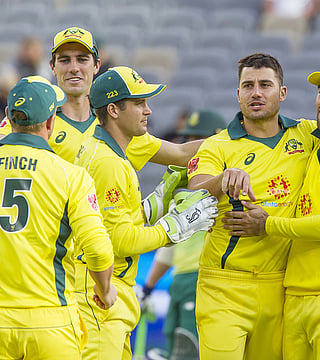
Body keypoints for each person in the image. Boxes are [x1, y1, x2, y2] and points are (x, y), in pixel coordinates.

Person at [187, 55, 320, 360]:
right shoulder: (218, 145)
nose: (256, 92)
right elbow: (194, 192)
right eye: (248, 85)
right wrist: (221, 180)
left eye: (265, 85)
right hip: (224, 285)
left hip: (280, 287)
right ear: (238, 94)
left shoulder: (306, 136)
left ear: (282, 93)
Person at [75, 66, 219, 360]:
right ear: (114, 110)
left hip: (95, 288)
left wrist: (156, 204)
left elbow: (109, 221)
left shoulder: (104, 146)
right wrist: (174, 226)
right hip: (100, 293)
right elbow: (119, 241)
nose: (148, 110)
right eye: (139, 103)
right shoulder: (109, 162)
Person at [0, 76, 116, 359]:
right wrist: (105, 289)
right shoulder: (72, 176)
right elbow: (98, 250)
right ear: (51, 120)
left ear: (8, 117)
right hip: (51, 321)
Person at [0, 26, 202, 170]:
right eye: (64, 60)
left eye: (82, 59)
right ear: (52, 66)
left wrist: (229, 142)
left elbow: (181, 154)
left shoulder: (116, 122)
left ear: (97, 65)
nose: (74, 68)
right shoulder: (35, 113)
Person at [141, 109, 227, 359]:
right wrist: (148, 286)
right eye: (187, 138)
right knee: (173, 349)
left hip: (203, 276)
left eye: (197, 138)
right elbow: (170, 243)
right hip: (180, 280)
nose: (190, 146)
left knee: (190, 350)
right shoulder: (181, 181)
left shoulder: (224, 182)